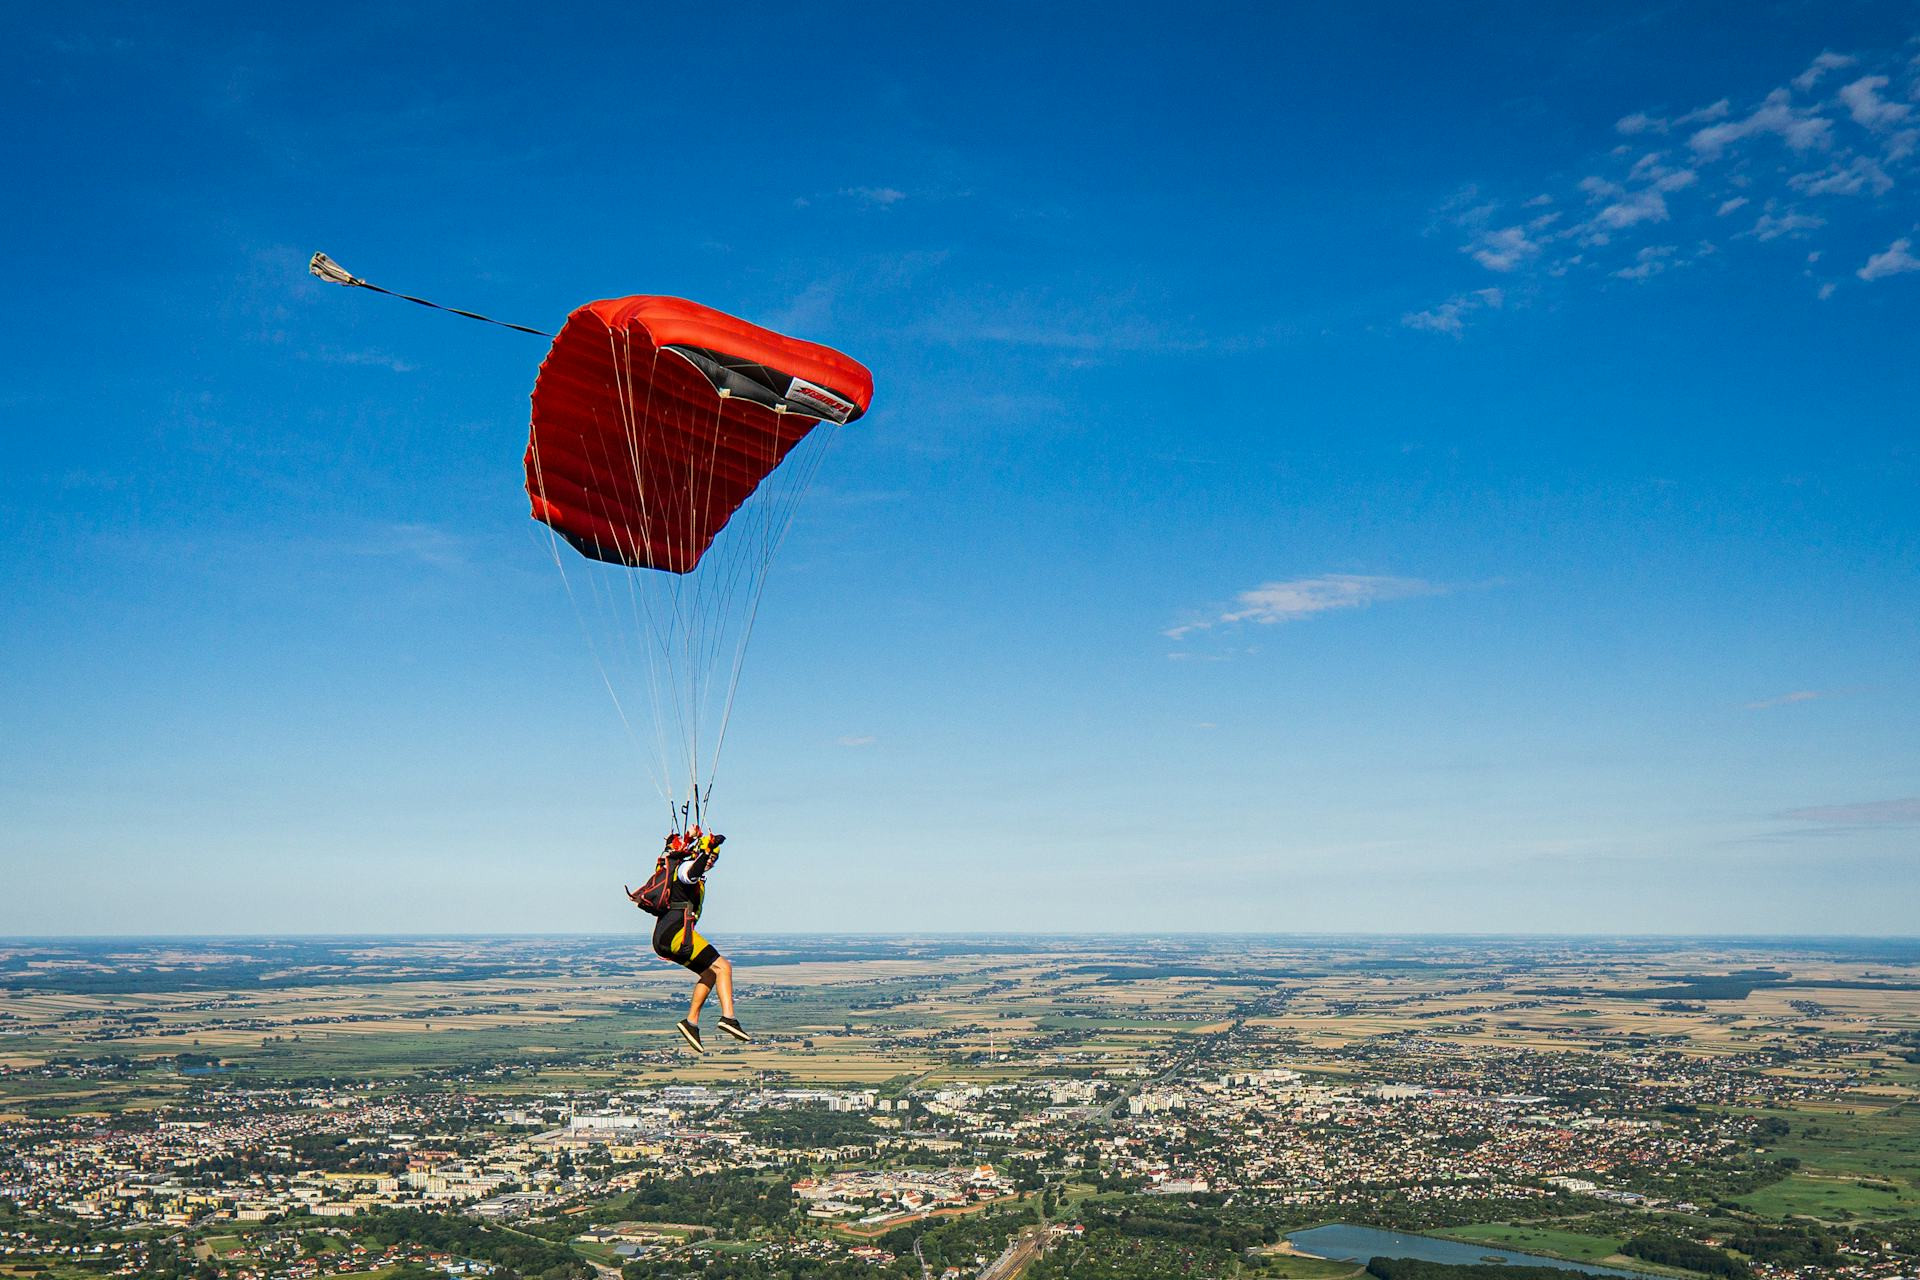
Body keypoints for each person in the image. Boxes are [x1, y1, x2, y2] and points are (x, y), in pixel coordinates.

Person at [652, 828, 748, 1053]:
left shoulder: (677, 868)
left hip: (667, 936)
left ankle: (691, 1022)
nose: (711, 861)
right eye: (710, 856)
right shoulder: (686, 869)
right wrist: (705, 849)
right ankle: (729, 1018)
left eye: (715, 858)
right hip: (675, 934)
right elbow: (692, 871)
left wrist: (696, 844)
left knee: (710, 973)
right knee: (724, 967)